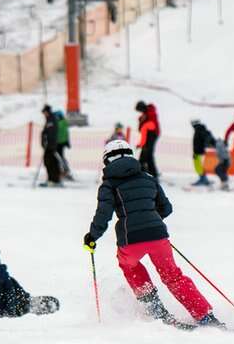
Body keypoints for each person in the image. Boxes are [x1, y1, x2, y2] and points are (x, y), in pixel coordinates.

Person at [83, 140, 225, 329]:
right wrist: (151, 221)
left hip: (130, 240)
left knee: (129, 265)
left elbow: (103, 215)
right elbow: (166, 208)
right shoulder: (148, 178)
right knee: (173, 276)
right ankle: (205, 316)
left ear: (107, 160)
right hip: (158, 237)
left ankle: (154, 307)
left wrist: (92, 237)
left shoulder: (109, 185)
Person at [135, 101, 160, 179]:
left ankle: (151, 174)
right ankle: (147, 172)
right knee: (145, 155)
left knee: (147, 155)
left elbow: (144, 132)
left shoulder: (148, 119)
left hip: (152, 135)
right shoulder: (148, 114)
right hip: (152, 135)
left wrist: (141, 144)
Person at [40, 105, 62, 187]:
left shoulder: (51, 120)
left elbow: (51, 133)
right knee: (48, 162)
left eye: (44, 112)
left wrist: (48, 143)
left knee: (51, 162)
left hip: (51, 145)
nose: (44, 114)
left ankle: (54, 180)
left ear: (47, 112)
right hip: (49, 145)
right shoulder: (49, 119)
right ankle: (51, 179)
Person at [190, 119, 215, 186]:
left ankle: (203, 179)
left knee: (197, 166)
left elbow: (205, 139)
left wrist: (207, 144)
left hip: (198, 151)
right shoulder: (201, 129)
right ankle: (204, 179)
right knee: (199, 165)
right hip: (199, 151)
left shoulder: (199, 130)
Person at [54, 110, 73, 181]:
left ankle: (64, 169)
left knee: (59, 157)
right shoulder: (64, 123)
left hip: (59, 143)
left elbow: (58, 134)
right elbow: (66, 134)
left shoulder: (59, 124)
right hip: (62, 143)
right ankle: (65, 169)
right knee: (61, 157)